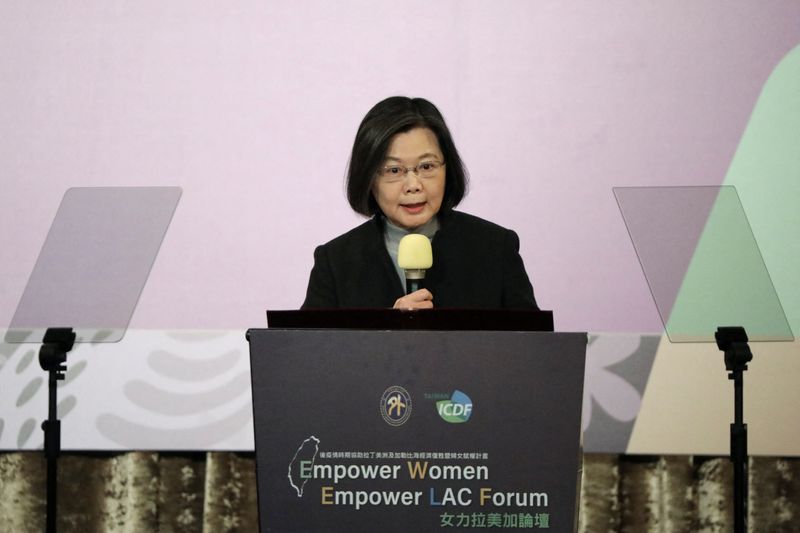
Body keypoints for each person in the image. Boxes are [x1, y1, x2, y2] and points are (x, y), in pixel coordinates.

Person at [302, 96, 538, 310]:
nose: (413, 184)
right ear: (369, 177)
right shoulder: (335, 262)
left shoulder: (495, 248)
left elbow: (531, 350)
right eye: (394, 170)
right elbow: (314, 354)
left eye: (427, 166)